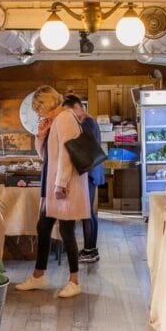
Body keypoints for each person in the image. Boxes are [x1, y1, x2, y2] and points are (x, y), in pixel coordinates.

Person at [15, 86, 90, 298]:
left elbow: (67, 153)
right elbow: (44, 155)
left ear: (47, 102)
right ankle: (39, 276)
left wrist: (61, 183)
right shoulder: (53, 120)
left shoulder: (65, 117)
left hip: (65, 184)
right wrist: (40, 134)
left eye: (38, 106)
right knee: (43, 226)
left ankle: (74, 280)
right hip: (52, 181)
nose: (37, 111)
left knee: (67, 231)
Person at [62, 94, 103, 263]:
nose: (68, 115)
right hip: (91, 170)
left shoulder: (87, 122)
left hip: (89, 171)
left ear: (78, 107)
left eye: (69, 111)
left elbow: (82, 148)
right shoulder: (87, 122)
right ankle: (91, 249)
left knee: (87, 213)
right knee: (89, 213)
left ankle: (90, 250)